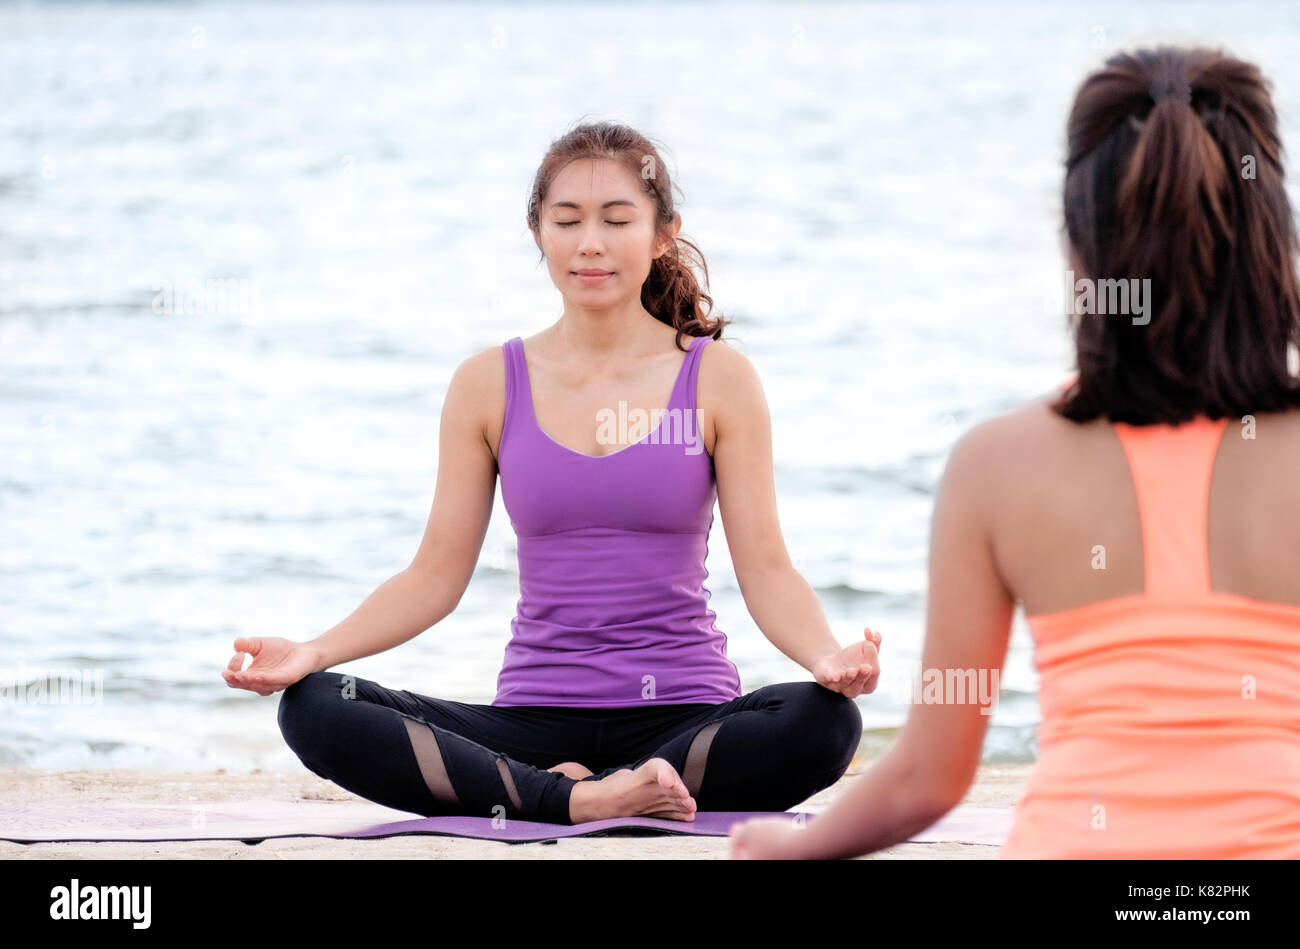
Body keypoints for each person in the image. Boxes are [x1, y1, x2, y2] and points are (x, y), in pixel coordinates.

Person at [731, 45, 1300, 859]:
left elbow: (930, 773)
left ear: (1080, 247)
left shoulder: (998, 464)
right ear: (1273, 240)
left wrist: (785, 848)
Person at [223, 121, 879, 826]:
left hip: (682, 718)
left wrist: (826, 655)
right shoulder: (488, 383)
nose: (589, 242)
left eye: (617, 220)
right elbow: (435, 577)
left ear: (663, 234)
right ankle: (579, 795)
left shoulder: (718, 378)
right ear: (539, 231)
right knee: (317, 706)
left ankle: (560, 791)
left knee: (824, 721)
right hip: (530, 723)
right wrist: (313, 650)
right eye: (566, 220)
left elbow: (770, 571)